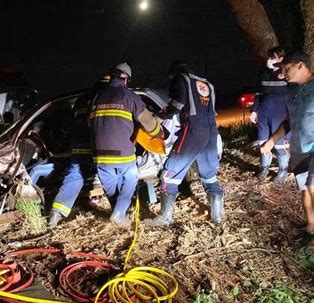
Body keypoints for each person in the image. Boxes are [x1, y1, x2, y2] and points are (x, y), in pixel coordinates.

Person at [146, 60, 224, 227]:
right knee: (209, 174)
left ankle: (165, 218)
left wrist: (159, 117)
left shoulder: (180, 79)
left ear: (173, 72)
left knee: (170, 174)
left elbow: (177, 104)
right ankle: (218, 218)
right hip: (211, 131)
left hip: (193, 130)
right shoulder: (207, 83)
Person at [90, 63, 164, 228]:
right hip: (122, 152)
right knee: (130, 179)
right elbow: (148, 122)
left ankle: (120, 213)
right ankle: (119, 213)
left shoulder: (97, 96)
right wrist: (158, 132)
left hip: (100, 155)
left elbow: (92, 125)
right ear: (126, 79)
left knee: (110, 185)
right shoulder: (128, 95)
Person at [260, 51, 314, 237]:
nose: (283, 72)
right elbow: (288, 121)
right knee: (305, 188)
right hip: (300, 148)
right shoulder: (291, 91)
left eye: (286, 67)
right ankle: (310, 227)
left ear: (300, 65)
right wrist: (272, 141)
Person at [48, 75, 111, 226]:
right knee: (111, 176)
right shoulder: (106, 97)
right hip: (97, 145)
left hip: (78, 145)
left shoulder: (82, 99)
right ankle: (119, 213)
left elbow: (68, 126)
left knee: (75, 176)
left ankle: (56, 214)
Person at [250, 46, 290, 182]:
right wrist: (254, 111)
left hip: (280, 113)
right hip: (263, 112)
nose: (269, 60)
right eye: (268, 57)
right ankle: (264, 168)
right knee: (262, 142)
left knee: (279, 144)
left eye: (272, 57)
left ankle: (283, 172)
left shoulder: (287, 74)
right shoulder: (264, 73)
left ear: (281, 58)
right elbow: (258, 94)